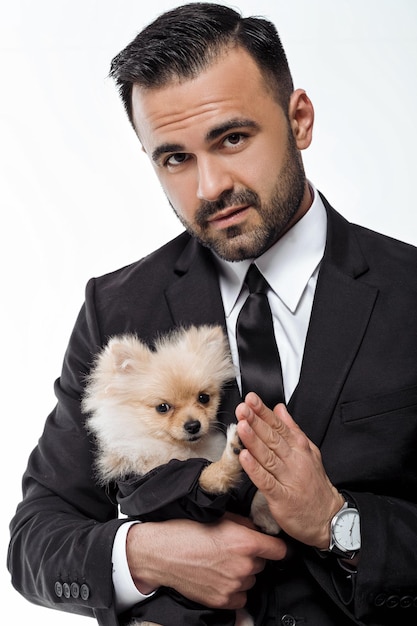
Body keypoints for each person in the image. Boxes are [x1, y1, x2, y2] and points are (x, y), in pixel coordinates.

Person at [7, 2, 417, 625]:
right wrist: (143, 554)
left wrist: (340, 522)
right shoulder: (116, 308)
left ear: (299, 119)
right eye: (174, 158)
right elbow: (36, 540)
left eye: (232, 138)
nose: (208, 188)